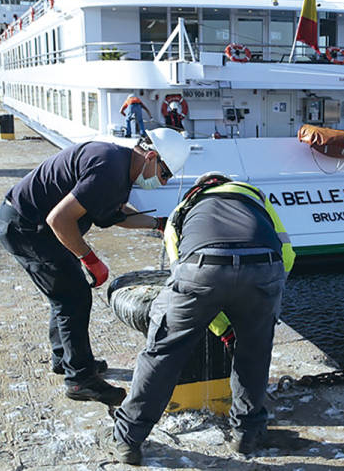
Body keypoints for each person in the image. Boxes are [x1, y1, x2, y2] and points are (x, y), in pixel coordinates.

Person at [0, 128, 190, 405]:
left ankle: (66, 359)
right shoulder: (109, 169)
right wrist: (90, 259)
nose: (162, 181)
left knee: (62, 293)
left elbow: (116, 214)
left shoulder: (118, 165)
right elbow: (59, 220)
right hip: (28, 227)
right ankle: (80, 380)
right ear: (152, 157)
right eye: (165, 174)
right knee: (73, 296)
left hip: (29, 222)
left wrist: (158, 223)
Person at [112, 172, 296, 465]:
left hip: (202, 267)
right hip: (265, 268)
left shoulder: (184, 207)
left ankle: (128, 438)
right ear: (225, 183)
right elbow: (287, 254)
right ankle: (246, 435)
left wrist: (221, 327)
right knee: (254, 353)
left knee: (163, 352)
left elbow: (179, 271)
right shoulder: (253, 195)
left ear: (200, 187)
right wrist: (264, 298)